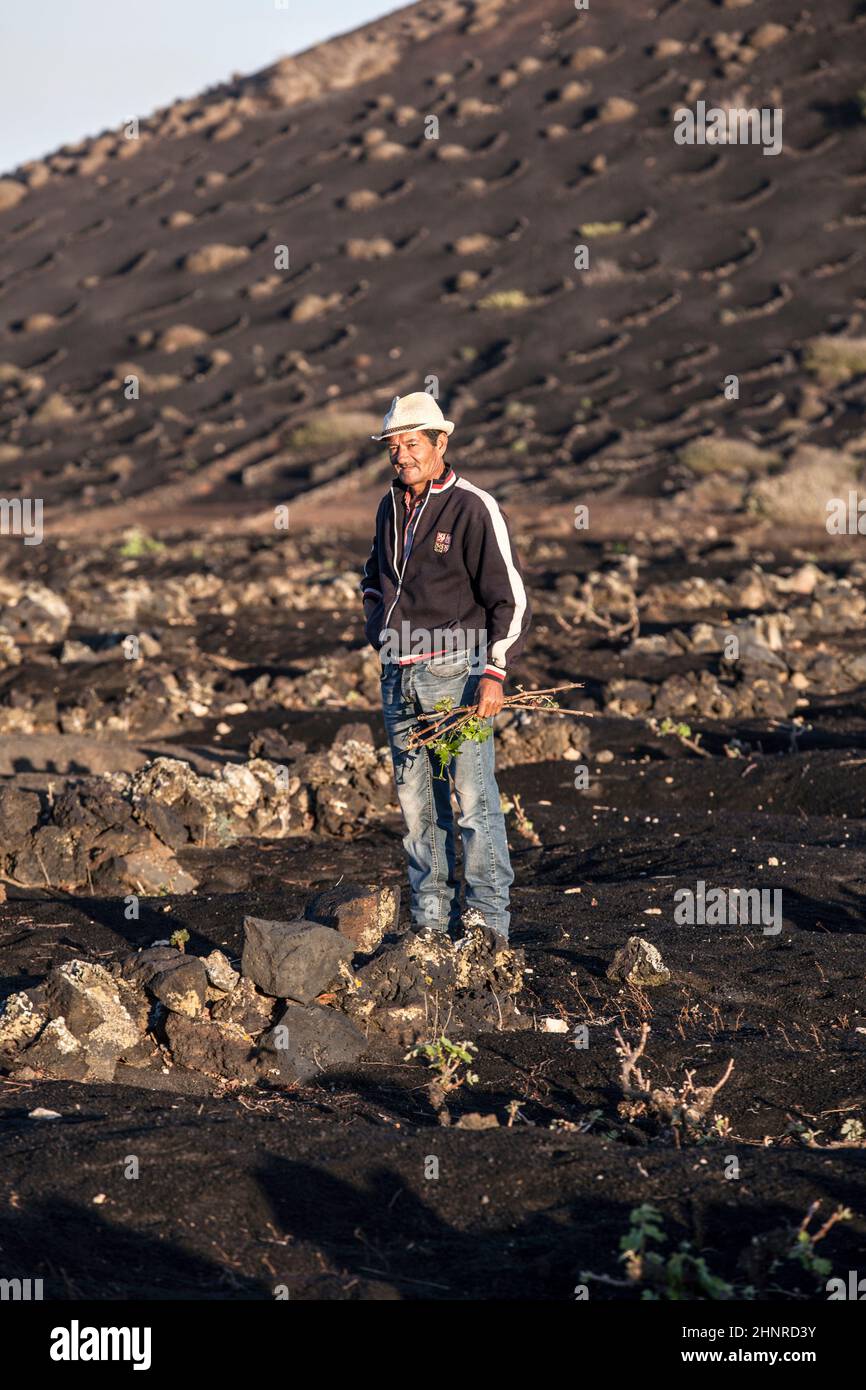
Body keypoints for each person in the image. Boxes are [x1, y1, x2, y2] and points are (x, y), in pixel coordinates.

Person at [360, 392, 532, 941]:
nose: (401, 455)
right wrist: (376, 631)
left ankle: (486, 929)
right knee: (417, 809)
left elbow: (508, 598)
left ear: (441, 443)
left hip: (456, 674)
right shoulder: (390, 507)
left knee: (474, 804)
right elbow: (372, 578)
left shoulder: (473, 507)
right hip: (399, 673)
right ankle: (431, 926)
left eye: (412, 443)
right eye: (393, 445)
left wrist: (494, 671)